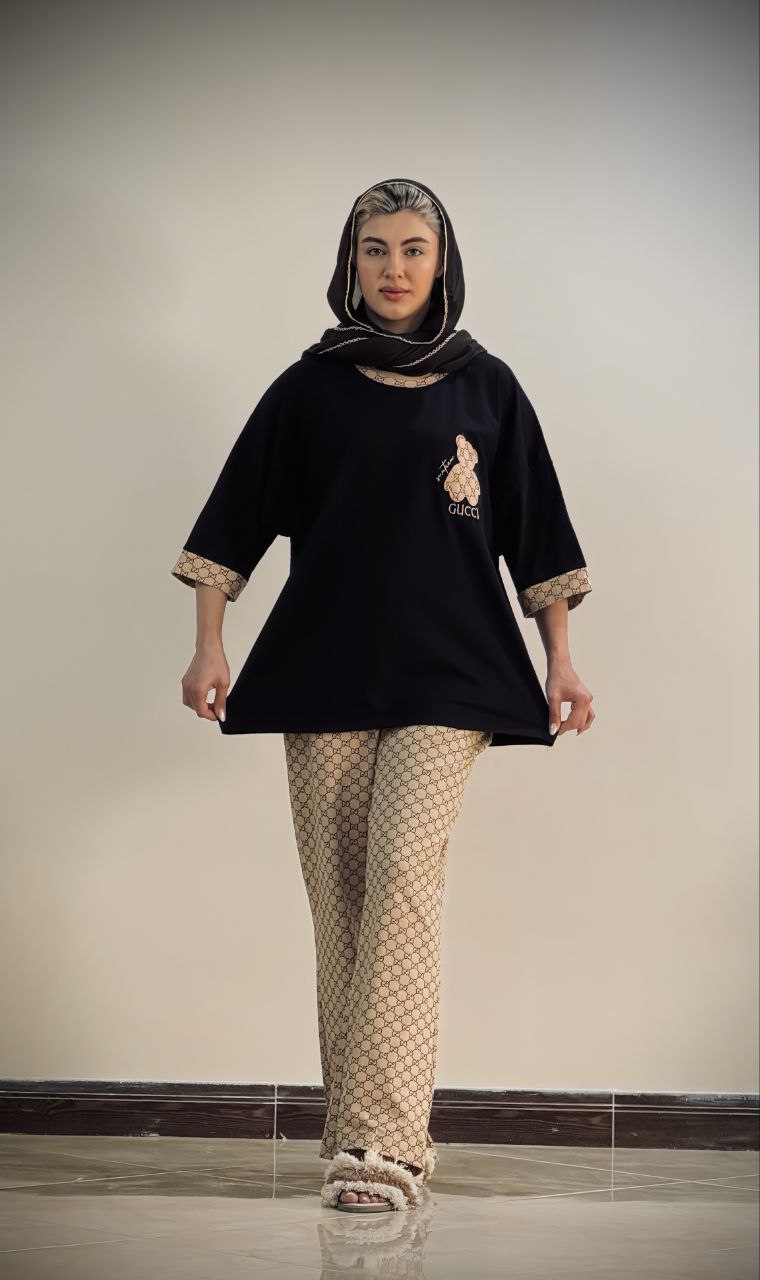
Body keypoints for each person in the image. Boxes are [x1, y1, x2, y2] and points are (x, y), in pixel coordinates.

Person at [170, 177, 594, 1212]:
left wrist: (562, 659)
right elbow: (233, 519)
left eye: (412, 249)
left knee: (402, 873)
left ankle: (389, 1146)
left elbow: (536, 530)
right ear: (349, 262)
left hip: (454, 670)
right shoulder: (307, 389)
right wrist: (209, 645)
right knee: (344, 899)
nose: (393, 268)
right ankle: (351, 1131)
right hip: (323, 666)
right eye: (375, 249)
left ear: (442, 263)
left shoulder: (487, 387)